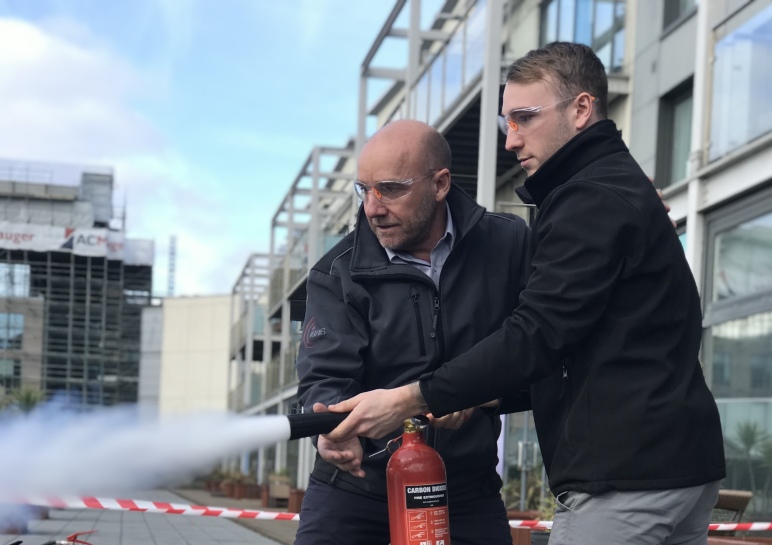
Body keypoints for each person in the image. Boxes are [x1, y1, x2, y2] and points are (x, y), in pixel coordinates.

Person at [328, 42, 726, 545]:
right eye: (506, 123)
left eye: (525, 118)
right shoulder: (618, 187)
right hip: (681, 467)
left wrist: (411, 396)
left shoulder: (589, 197)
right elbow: (594, 341)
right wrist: (482, 392)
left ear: (581, 109)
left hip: (625, 477)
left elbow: (538, 333)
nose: (512, 140)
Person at [293, 119, 532, 545]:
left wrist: (476, 393)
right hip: (355, 492)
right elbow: (323, 378)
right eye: (364, 189)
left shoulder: (510, 245)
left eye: (391, 188)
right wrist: (328, 428)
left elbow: (544, 351)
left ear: (440, 184)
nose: (373, 207)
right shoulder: (336, 273)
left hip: (466, 495)